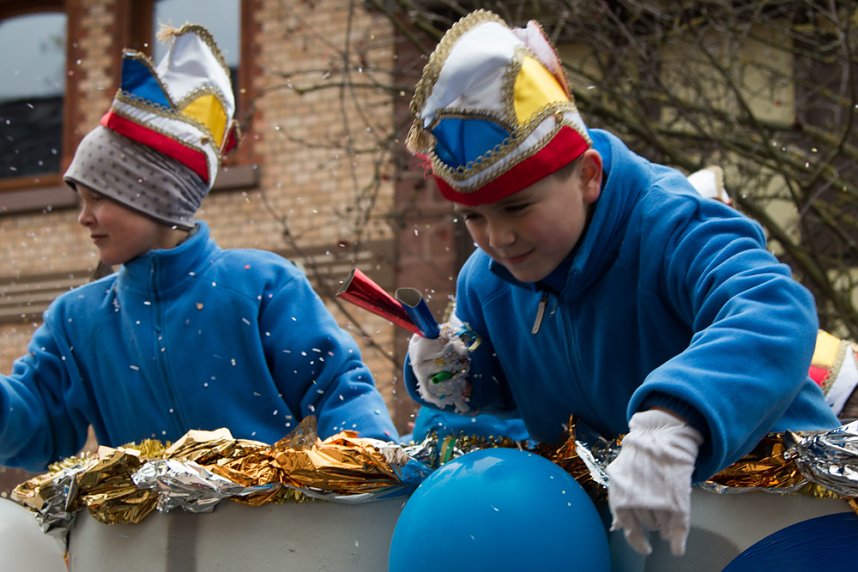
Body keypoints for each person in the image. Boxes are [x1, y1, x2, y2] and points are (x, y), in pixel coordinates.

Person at [402, 10, 839, 559]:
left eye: (516, 208)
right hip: (627, 542)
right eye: (475, 218)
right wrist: (459, 379)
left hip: (785, 526)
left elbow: (775, 309)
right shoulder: (484, 284)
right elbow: (503, 390)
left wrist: (678, 416)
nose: (498, 239)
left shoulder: (673, 223)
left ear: (587, 176)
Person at [0, 24, 398, 473]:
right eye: (81, 200)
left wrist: (370, 472)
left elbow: (337, 389)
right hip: (140, 541)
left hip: (276, 536)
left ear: (153, 196)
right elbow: (35, 430)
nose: (83, 217)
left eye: (99, 198)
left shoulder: (260, 286)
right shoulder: (76, 321)